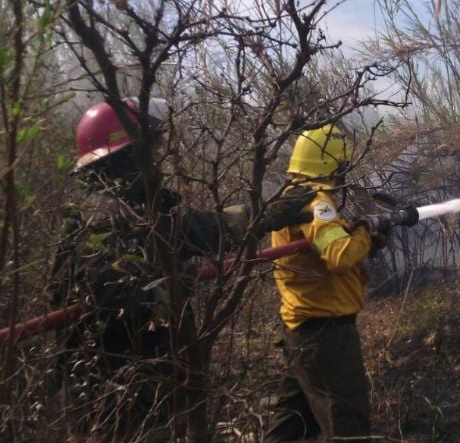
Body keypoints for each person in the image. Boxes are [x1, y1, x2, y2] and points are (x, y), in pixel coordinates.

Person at [49, 98, 314, 440]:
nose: (158, 159)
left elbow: (204, 228)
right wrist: (173, 285)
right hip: (122, 398)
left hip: (145, 387)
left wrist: (269, 213)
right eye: (152, 149)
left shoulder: (138, 212)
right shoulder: (106, 221)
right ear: (130, 156)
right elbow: (113, 300)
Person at [266, 125, 389, 442]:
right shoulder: (316, 203)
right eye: (342, 165)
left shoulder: (293, 198)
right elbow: (339, 256)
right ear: (331, 165)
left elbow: (322, 253)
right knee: (348, 422)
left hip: (303, 331)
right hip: (325, 337)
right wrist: (364, 230)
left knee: (293, 423)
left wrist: (367, 241)